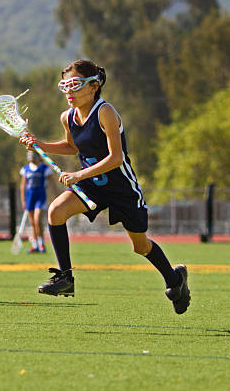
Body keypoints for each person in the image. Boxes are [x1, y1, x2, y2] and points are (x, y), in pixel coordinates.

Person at [20, 59, 190, 314]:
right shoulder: (68, 117)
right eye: (64, 85)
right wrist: (40, 144)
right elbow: (72, 147)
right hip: (91, 185)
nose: (69, 91)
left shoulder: (105, 112)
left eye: (75, 85)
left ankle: (175, 280)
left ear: (94, 85)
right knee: (55, 211)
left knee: (140, 246)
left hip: (121, 187)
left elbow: (115, 158)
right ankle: (65, 278)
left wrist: (78, 174)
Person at [20, 150, 54, 253]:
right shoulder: (25, 169)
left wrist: (57, 196)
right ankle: (35, 245)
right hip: (30, 197)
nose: (31, 156)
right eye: (29, 154)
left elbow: (52, 183)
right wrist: (23, 200)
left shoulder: (44, 168)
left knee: (37, 220)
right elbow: (23, 186)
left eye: (33, 154)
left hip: (40, 197)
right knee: (32, 222)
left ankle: (41, 243)